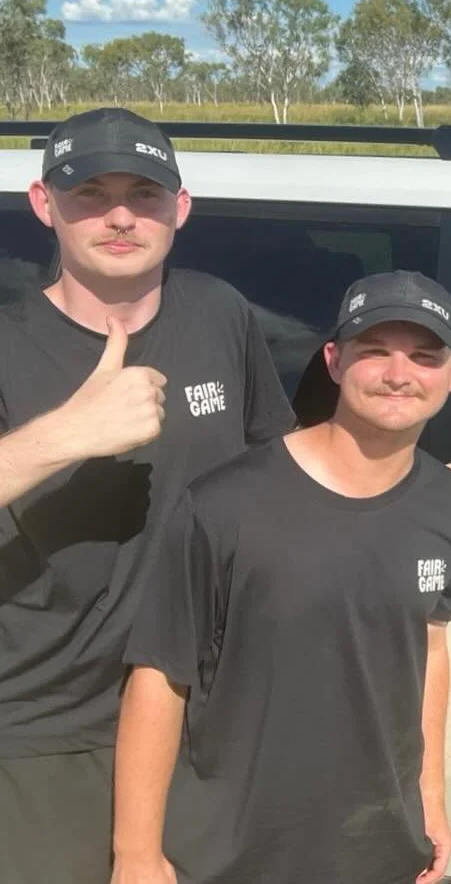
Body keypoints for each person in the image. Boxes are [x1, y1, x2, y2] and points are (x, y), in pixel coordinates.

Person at [0, 107, 294, 883]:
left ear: (180, 208)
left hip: (203, 712)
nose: (121, 215)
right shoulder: (5, 345)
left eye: (145, 193)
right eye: (91, 193)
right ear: (43, 205)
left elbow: (275, 470)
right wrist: (66, 434)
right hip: (51, 730)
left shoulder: (218, 313)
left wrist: (408, 476)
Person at [111, 269, 451, 884]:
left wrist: (430, 800)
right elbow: (158, 675)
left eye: (423, 356)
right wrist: (137, 855)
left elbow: (431, 646)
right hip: (232, 852)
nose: (398, 374)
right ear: (333, 361)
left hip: (376, 847)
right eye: (374, 352)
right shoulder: (227, 503)